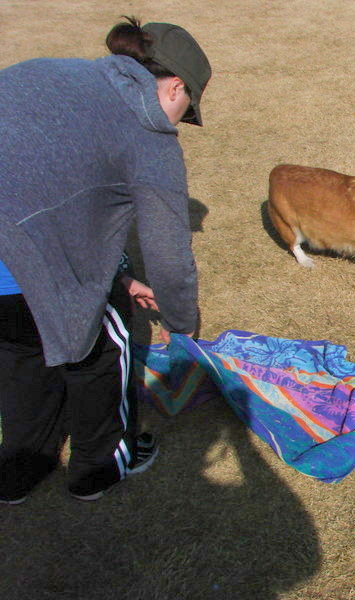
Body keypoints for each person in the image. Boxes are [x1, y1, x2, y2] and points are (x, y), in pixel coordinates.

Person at [0, 17, 211, 503]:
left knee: (19, 353)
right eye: (188, 107)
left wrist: (120, 271)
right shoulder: (148, 135)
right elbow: (168, 255)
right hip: (24, 268)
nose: (181, 119)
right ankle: (101, 464)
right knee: (99, 346)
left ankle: (19, 469)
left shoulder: (50, 71)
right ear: (176, 86)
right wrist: (182, 325)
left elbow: (65, 201)